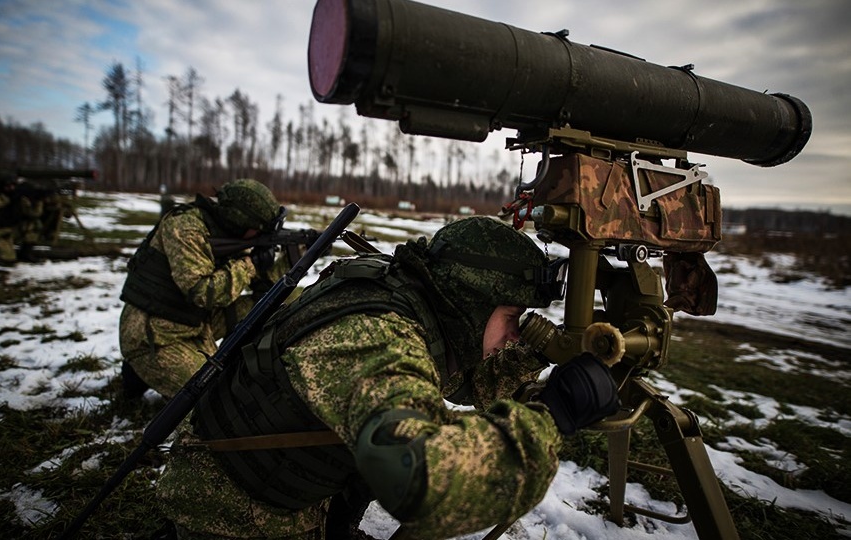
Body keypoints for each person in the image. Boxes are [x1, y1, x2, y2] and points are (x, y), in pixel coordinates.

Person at [155, 216, 620, 539]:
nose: (516, 333)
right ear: (472, 301)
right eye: (512, 317)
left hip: (277, 488)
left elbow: (461, 382)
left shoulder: (413, 297)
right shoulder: (379, 334)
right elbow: (419, 480)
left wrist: (535, 355)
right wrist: (550, 420)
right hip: (235, 515)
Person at [118, 178, 289, 399]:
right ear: (240, 221)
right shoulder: (186, 228)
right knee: (217, 398)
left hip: (195, 321)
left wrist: (287, 260)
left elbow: (263, 288)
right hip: (156, 333)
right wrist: (250, 264)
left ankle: (147, 371)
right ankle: (142, 365)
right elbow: (202, 292)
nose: (259, 236)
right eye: (257, 230)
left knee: (276, 304)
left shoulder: (229, 232)